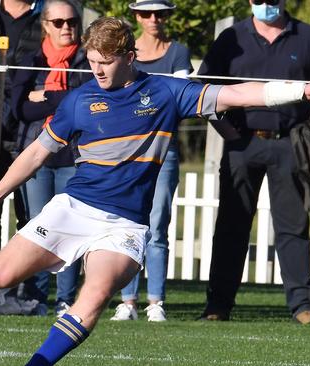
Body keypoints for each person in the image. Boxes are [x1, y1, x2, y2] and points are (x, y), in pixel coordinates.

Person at [0, 16, 310, 365]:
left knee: (97, 293)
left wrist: (303, 90)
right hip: (74, 209)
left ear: (128, 56)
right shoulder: (79, 100)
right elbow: (36, 153)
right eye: (91, 61)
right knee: (0, 276)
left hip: (125, 225)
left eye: (105, 62)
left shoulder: (166, 92)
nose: (97, 70)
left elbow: (238, 94)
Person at [198, 0, 310, 325]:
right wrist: (227, 132)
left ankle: (302, 306)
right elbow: (204, 89)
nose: (267, 5)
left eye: (273, 0)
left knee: (293, 228)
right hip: (241, 144)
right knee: (231, 226)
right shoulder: (231, 38)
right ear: (250, 2)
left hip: (289, 144)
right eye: (259, 0)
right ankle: (218, 306)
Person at [110, 0, 192, 323]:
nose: (153, 19)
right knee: (130, 225)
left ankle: (155, 301)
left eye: (159, 13)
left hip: (164, 150)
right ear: (136, 16)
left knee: (157, 225)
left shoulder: (178, 53)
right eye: (146, 13)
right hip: (127, 152)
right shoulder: (126, 53)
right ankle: (127, 301)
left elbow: (182, 101)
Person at [11, 0, 91, 317]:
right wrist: (61, 101)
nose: (66, 27)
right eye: (58, 22)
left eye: (71, 21)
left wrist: (43, 96)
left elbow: (84, 105)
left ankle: (66, 299)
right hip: (37, 152)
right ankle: (36, 297)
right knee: (38, 227)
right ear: (45, 25)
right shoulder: (31, 59)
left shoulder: (87, 62)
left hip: (74, 155)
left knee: (69, 228)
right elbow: (20, 109)